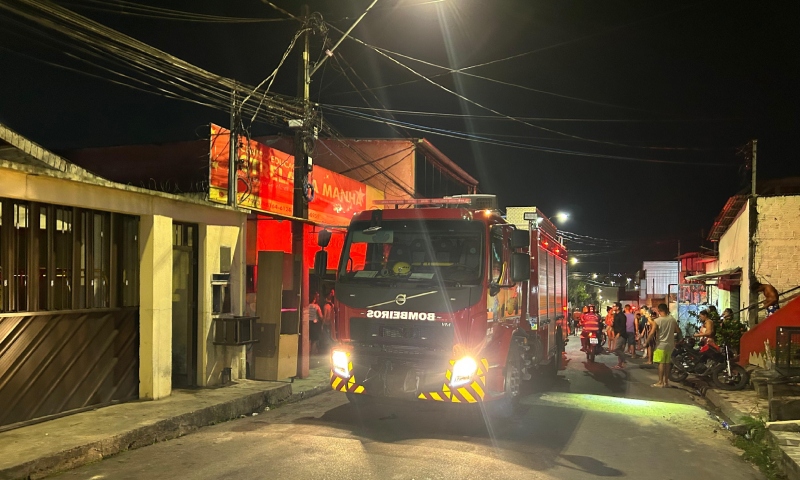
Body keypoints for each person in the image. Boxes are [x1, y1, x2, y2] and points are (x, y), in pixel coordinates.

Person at [646, 303, 681, 388]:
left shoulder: (657, 321)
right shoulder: (672, 320)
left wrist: (646, 342)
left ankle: (660, 382)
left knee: (661, 363)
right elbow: (678, 331)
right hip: (670, 345)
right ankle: (666, 382)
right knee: (667, 363)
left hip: (661, 345)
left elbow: (652, 333)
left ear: (659, 310)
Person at [612, 302, 628, 369]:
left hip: (622, 335)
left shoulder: (622, 316)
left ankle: (624, 361)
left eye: (614, 306)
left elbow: (623, 326)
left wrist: (619, 333)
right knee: (620, 349)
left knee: (616, 349)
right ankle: (619, 364)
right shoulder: (616, 315)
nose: (613, 307)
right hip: (617, 333)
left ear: (618, 307)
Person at [308, 292, 323, 358]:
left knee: (309, 339)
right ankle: (313, 353)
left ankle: (307, 352)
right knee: (314, 339)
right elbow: (320, 316)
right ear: (314, 298)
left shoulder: (307, 306)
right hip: (315, 324)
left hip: (308, 323)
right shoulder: (316, 306)